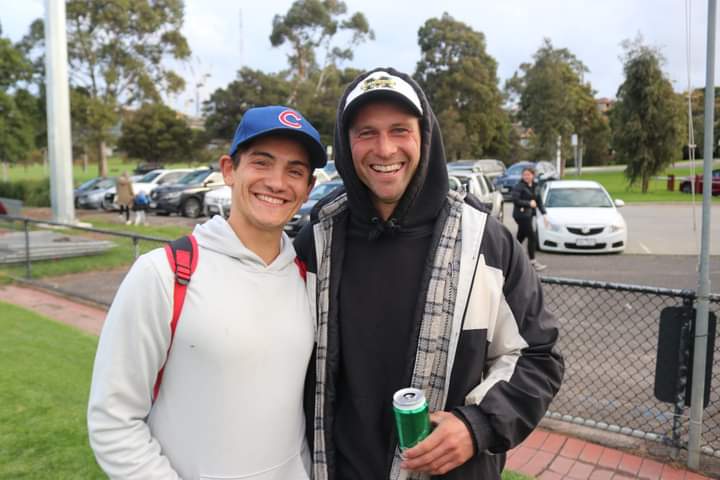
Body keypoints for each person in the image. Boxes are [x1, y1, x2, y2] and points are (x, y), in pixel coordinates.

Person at [294, 68, 564, 479]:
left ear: (425, 136)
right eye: (366, 133)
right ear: (346, 144)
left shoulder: (484, 241)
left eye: (399, 130)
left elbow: (537, 355)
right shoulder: (316, 241)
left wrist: (477, 425)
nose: (385, 148)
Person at [88, 105, 326, 479]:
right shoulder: (164, 274)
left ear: (308, 188)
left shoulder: (308, 279)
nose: (277, 183)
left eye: (294, 171)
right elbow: (113, 420)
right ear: (229, 170)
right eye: (262, 163)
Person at [511, 167, 548, 271]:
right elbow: (515, 200)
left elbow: (539, 201)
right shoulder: (519, 186)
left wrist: (544, 214)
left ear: (533, 175)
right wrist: (528, 203)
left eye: (528, 174)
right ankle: (532, 262)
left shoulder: (536, 186)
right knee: (532, 237)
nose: (526, 177)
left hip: (529, 215)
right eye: (524, 175)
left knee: (520, 237)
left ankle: (509, 256)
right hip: (521, 216)